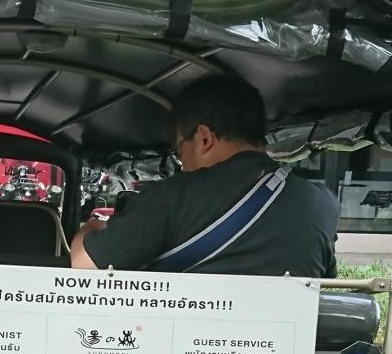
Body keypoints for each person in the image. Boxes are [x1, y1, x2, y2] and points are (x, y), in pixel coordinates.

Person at [70, 75, 338, 277]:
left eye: (179, 153)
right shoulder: (322, 205)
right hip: (284, 338)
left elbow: (85, 266)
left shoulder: (172, 197)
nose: (182, 165)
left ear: (204, 138)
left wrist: (91, 227)